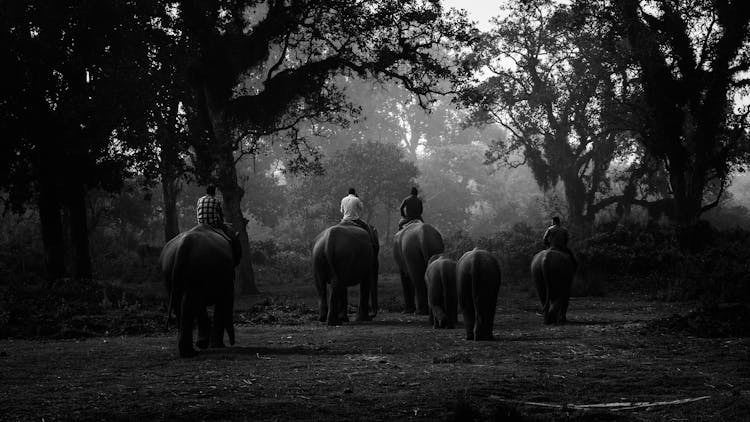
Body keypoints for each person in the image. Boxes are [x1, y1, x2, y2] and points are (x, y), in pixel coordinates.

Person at [196, 184, 241, 265]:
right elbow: (220, 216)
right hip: (213, 225)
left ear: (206, 192)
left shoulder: (199, 200)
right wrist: (222, 223)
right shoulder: (216, 201)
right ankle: (234, 253)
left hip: (200, 224)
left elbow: (198, 213)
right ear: (214, 192)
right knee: (231, 234)